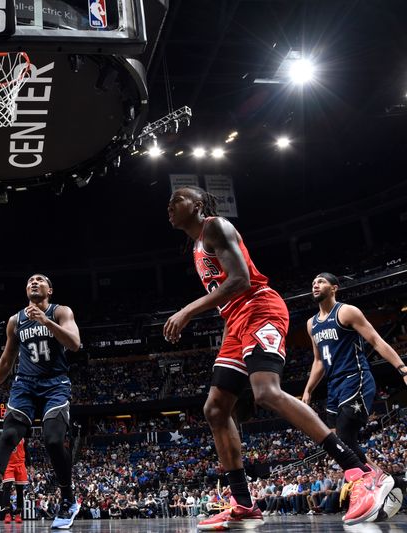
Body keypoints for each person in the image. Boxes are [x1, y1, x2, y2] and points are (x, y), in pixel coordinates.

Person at [164, 186, 391, 529]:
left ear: (197, 205)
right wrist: (228, 342)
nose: (169, 205)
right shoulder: (196, 245)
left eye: (176, 199)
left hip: (261, 308)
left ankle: (359, 472)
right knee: (215, 408)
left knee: (266, 392)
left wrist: (187, 311)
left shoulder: (215, 227)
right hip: (236, 322)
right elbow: (226, 299)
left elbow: (240, 280)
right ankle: (242, 503)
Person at [0, 274, 81, 529]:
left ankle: (68, 500)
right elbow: (6, 362)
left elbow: (74, 344)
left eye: (40, 280)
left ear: (49, 289)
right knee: (8, 436)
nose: (34, 282)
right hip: (25, 386)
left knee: (52, 440)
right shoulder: (15, 321)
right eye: (30, 280)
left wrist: (46, 322)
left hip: (55, 384)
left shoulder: (61, 311)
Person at [302, 273, 403, 511]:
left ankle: (376, 481)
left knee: (346, 437)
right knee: (337, 443)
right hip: (333, 387)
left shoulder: (346, 312)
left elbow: (376, 341)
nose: (315, 283)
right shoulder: (311, 324)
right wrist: (307, 391)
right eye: (313, 281)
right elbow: (318, 361)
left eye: (321, 281)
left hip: (355, 378)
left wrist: (402, 368)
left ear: (334, 288)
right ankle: (389, 482)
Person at [2, 438, 27, 523]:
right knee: (6, 487)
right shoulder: (6, 433)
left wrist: (30, 465)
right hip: (8, 463)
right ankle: (7, 513)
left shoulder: (23, 436)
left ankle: (18, 514)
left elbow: (26, 450)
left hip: (20, 463)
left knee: (20, 490)